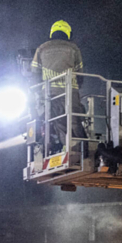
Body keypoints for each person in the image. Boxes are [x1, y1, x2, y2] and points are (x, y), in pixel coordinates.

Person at [31, 20, 86, 152]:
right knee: (74, 120)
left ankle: (64, 147)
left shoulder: (41, 49)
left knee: (57, 122)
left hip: (49, 95)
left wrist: (39, 91)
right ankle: (81, 150)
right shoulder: (73, 48)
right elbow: (80, 73)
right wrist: (78, 86)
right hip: (70, 92)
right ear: (68, 33)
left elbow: (34, 73)